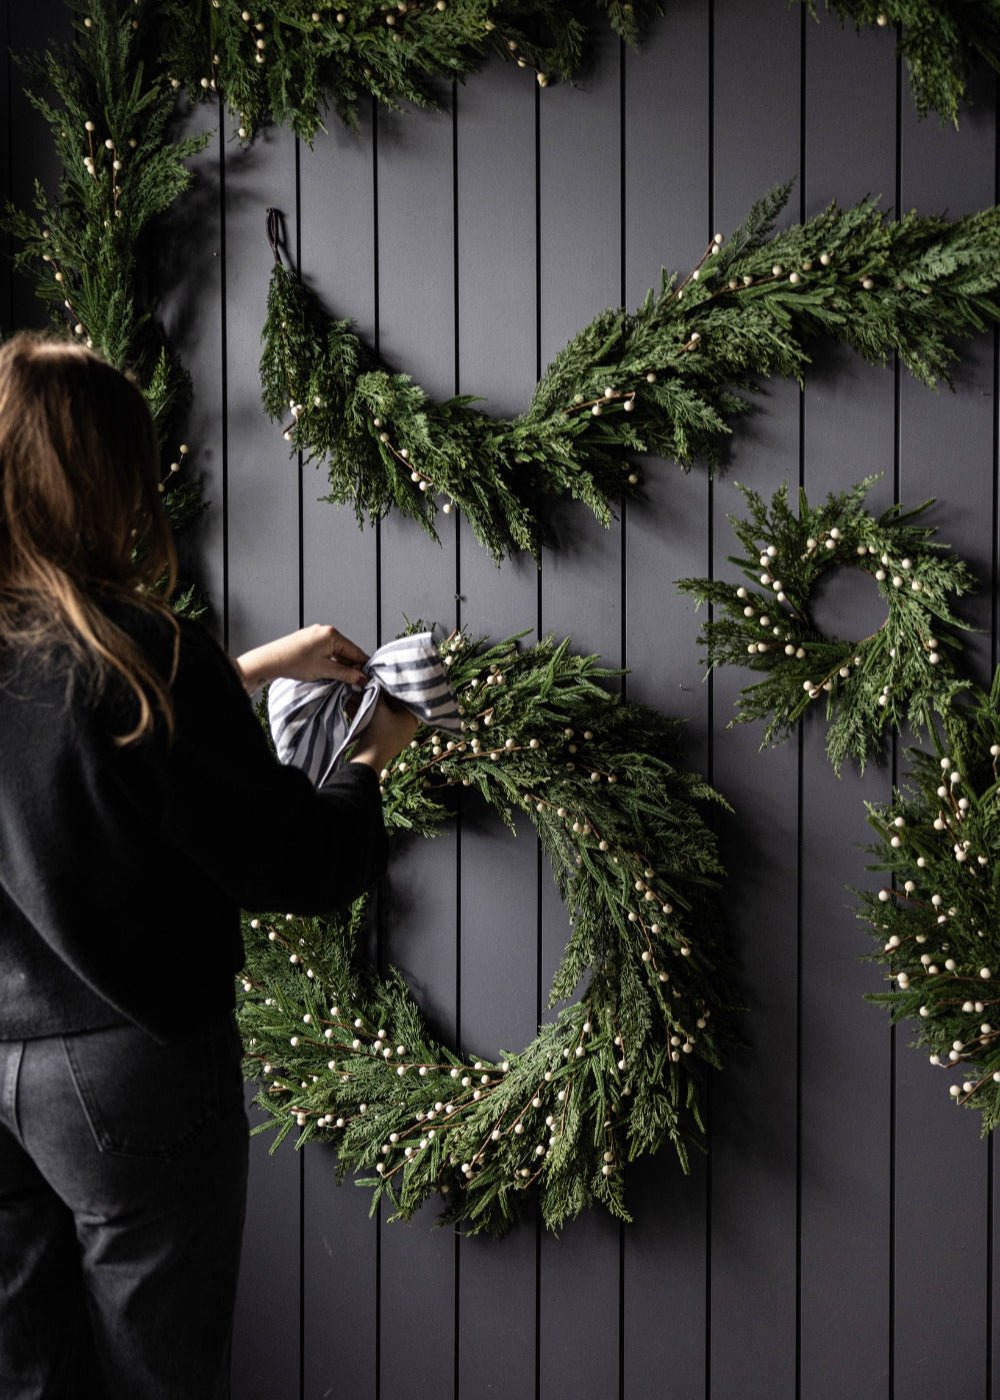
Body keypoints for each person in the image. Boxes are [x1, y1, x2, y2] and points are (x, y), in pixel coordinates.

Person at [0, 331, 417, 1398]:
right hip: (125, 1064)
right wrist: (373, 750)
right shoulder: (146, 654)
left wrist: (240, 672)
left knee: (29, 1372)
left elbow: (68, 744)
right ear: (108, 479)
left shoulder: (89, 657)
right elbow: (301, 863)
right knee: (163, 1376)